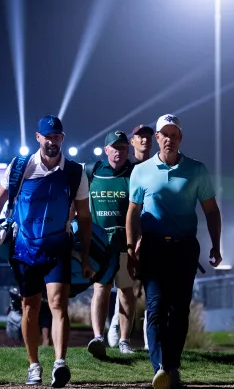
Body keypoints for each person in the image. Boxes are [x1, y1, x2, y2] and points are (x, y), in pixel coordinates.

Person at [0, 114, 93, 387]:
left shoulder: (75, 172)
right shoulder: (19, 167)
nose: (53, 142)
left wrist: (85, 254)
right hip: (24, 247)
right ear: (38, 137)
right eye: (47, 137)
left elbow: (84, 217)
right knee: (30, 306)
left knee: (58, 304)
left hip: (58, 245)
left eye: (57, 137)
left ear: (63, 138)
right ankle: (34, 365)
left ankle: (60, 362)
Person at [126, 114, 222, 389]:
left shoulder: (196, 170)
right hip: (153, 248)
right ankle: (160, 368)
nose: (169, 138)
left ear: (181, 137)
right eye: (164, 134)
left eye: (174, 134)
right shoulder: (141, 171)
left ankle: (172, 367)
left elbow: (211, 210)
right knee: (155, 307)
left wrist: (216, 245)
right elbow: (133, 212)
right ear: (157, 138)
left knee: (179, 311)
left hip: (184, 249)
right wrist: (131, 248)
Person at [82, 130, 137, 357]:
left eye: (123, 147)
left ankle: (124, 341)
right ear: (106, 150)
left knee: (126, 291)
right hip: (100, 245)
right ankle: (98, 337)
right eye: (114, 147)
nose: (119, 152)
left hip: (125, 245)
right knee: (100, 289)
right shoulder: (92, 172)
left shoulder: (134, 173)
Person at [107, 124, 154, 350]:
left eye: (148, 137)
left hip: (152, 235)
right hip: (130, 237)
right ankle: (117, 324)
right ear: (132, 141)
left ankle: (149, 342)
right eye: (139, 137)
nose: (144, 140)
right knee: (129, 286)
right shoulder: (127, 170)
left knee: (150, 288)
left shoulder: (156, 166)